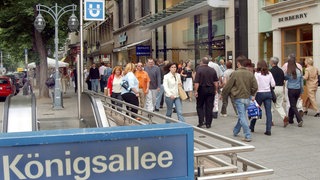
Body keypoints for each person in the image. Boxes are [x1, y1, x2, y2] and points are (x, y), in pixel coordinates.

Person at [222, 56, 258, 142]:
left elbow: (228, 86)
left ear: (238, 63)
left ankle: (247, 135)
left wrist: (224, 93)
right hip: (247, 97)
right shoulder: (250, 73)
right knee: (241, 115)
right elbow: (255, 86)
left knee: (242, 116)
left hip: (238, 97)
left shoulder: (235, 73)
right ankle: (236, 131)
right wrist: (251, 93)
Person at [249, 60, 275, 136]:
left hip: (259, 94)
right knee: (268, 112)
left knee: (256, 110)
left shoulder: (257, 74)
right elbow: (273, 84)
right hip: (268, 93)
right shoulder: (269, 73)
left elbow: (255, 85)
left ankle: (252, 126)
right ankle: (268, 129)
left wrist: (253, 95)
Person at [194, 56, 219, 128]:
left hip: (201, 89)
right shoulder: (212, 70)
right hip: (211, 89)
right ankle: (208, 123)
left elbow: (197, 82)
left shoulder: (199, 70)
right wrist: (216, 90)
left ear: (202, 62)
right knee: (209, 106)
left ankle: (201, 121)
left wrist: (195, 91)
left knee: (200, 106)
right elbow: (216, 82)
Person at [284, 56, 304, 127]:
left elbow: (285, 78)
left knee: (293, 105)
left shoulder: (289, 72)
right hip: (298, 89)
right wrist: (302, 90)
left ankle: (299, 119)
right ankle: (291, 119)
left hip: (291, 90)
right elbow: (302, 81)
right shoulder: (299, 71)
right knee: (293, 105)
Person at [269, 57, 287, 125]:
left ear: (272, 63)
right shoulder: (281, 70)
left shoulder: (270, 71)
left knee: (270, 105)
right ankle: (284, 117)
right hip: (281, 88)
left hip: (273, 89)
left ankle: (271, 120)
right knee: (279, 105)